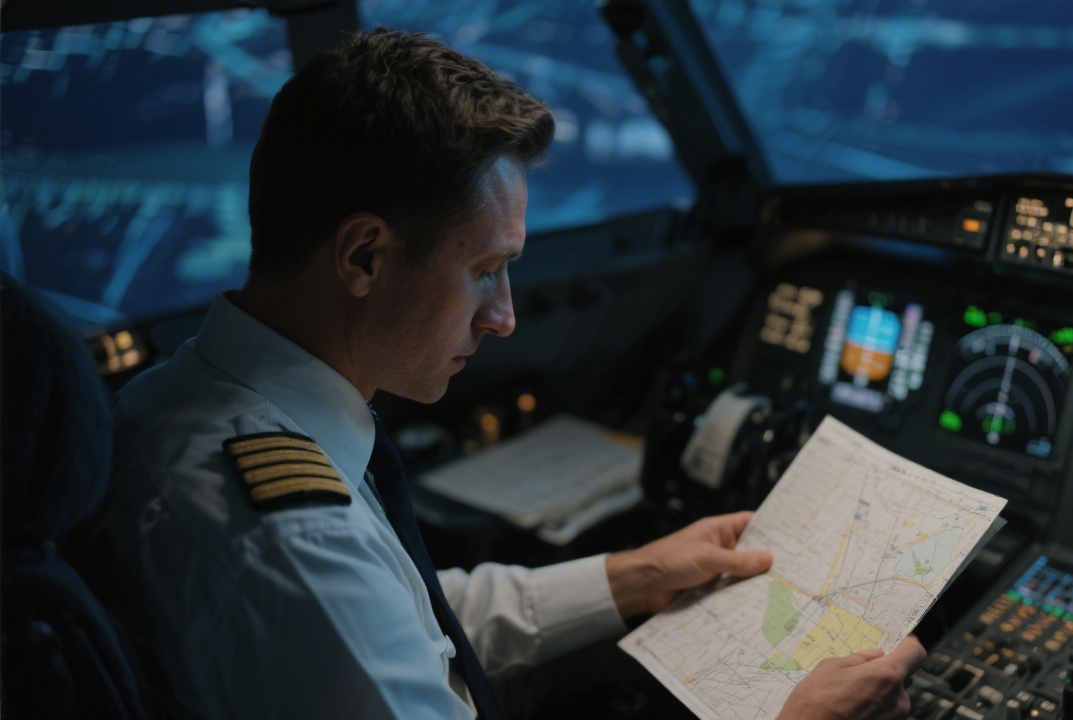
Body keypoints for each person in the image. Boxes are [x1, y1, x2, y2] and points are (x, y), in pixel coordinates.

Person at [69, 28, 925, 719]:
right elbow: (349, 609)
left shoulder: (180, 401)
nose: (504, 315)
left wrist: (635, 575)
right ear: (364, 256)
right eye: (486, 269)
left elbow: (403, 620)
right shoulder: (291, 541)